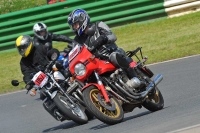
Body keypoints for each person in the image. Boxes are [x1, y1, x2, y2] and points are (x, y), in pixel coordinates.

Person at [67, 9, 138, 80]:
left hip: (112, 53)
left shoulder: (98, 25)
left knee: (114, 57)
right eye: (73, 26)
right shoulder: (77, 40)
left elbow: (113, 36)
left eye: (76, 24)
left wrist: (103, 38)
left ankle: (134, 78)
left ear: (82, 20)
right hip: (97, 63)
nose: (74, 28)